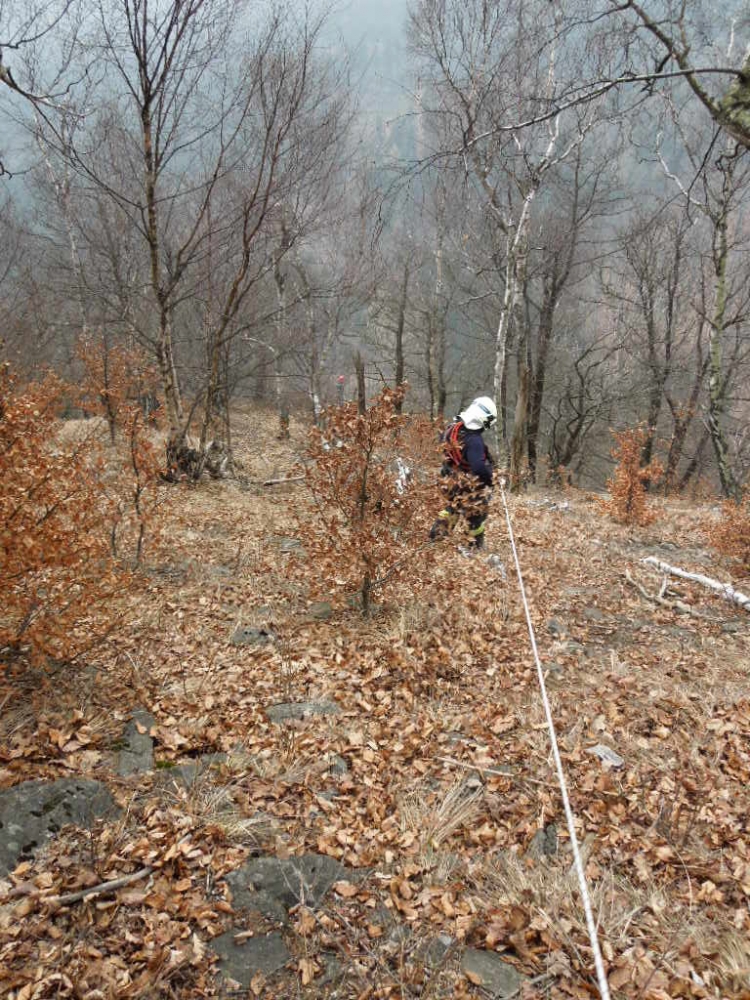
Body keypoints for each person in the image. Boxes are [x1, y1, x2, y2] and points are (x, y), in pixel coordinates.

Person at [430, 396, 497, 550]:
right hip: (465, 483)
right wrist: (491, 478)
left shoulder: (455, 427)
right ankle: (474, 544)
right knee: (477, 511)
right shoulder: (474, 440)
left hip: (449, 478)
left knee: (453, 506)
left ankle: (437, 535)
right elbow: (478, 467)